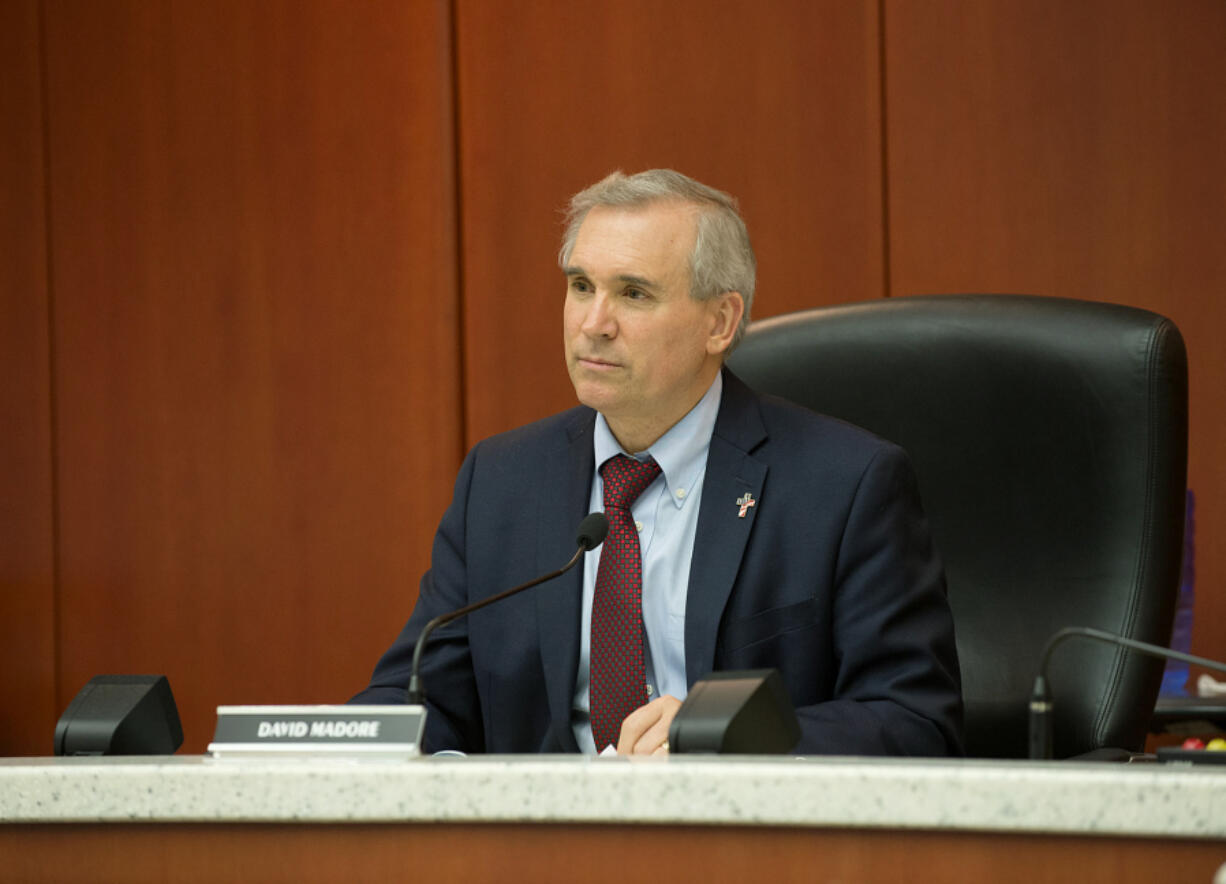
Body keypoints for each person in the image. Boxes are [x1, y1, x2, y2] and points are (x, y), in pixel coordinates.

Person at [353, 169, 963, 756]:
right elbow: (417, 702)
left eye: (634, 293)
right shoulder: (502, 481)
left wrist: (727, 740)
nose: (593, 324)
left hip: (735, 849)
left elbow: (914, 721)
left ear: (719, 321)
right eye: (581, 286)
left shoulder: (844, 485)